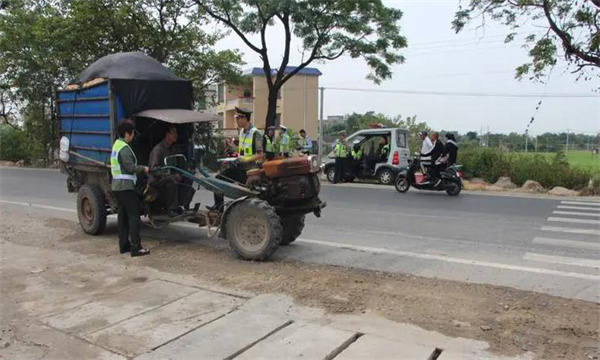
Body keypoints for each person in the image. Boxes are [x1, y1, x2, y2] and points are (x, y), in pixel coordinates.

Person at [208, 107, 262, 210]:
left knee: (244, 195)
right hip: (239, 166)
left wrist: (246, 159)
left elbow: (260, 154)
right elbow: (242, 151)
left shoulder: (256, 133)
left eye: (238, 118)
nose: (236, 120)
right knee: (219, 180)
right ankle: (218, 207)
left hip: (249, 170)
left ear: (245, 119)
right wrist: (232, 148)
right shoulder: (242, 132)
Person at [111, 119, 150, 257]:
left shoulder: (117, 145)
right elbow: (130, 168)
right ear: (127, 133)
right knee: (134, 217)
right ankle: (136, 247)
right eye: (132, 133)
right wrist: (144, 169)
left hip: (117, 187)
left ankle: (124, 246)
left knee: (123, 217)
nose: (133, 135)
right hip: (126, 187)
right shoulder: (124, 148)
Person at [148, 125, 194, 217]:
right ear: (167, 134)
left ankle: (182, 204)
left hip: (167, 176)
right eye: (173, 132)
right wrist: (170, 175)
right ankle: (171, 209)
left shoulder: (171, 149)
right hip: (156, 180)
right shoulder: (159, 149)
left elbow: (174, 166)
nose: (176, 135)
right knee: (172, 181)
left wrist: (181, 173)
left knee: (188, 178)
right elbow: (154, 170)